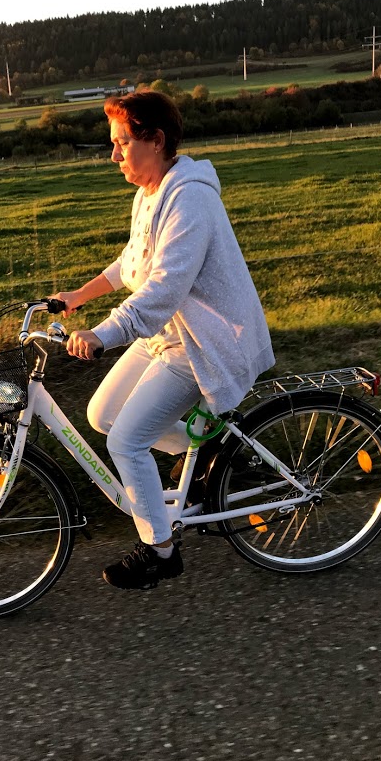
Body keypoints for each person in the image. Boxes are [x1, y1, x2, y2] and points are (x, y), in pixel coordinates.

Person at [53, 90, 274, 590]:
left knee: (126, 440)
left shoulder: (189, 197)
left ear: (155, 140)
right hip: (167, 334)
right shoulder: (150, 192)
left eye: (122, 143)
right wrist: (79, 296)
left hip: (203, 342)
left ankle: (160, 550)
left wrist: (103, 334)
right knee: (102, 414)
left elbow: (164, 289)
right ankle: (211, 453)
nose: (113, 154)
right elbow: (132, 261)